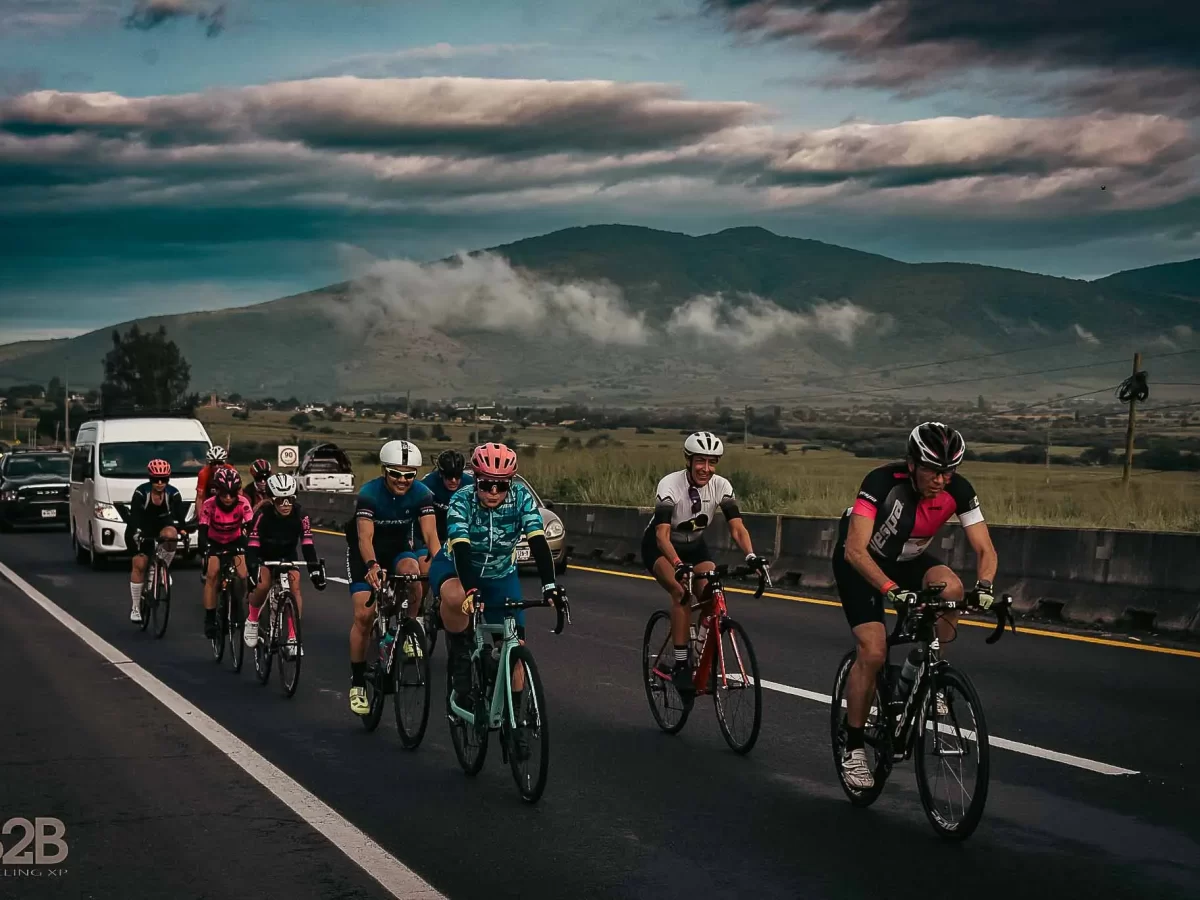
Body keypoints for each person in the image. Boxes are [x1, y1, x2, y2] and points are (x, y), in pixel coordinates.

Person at [833, 421, 998, 791]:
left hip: (910, 560)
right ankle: (855, 746)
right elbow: (854, 549)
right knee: (873, 651)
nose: (940, 479)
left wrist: (984, 586)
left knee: (952, 591)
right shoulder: (881, 482)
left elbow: (985, 548)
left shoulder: (959, 490)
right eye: (931, 470)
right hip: (862, 563)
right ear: (912, 463)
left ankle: (919, 667)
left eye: (948, 471)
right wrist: (891, 589)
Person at [431, 443, 565, 756]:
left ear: (511, 482)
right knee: (455, 599)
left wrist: (549, 586)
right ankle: (462, 659)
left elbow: (537, 541)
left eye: (501, 485)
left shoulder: (521, 498)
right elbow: (461, 549)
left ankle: (514, 723)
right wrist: (471, 590)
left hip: (502, 574)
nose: (493, 491)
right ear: (475, 480)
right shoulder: (461, 501)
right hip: (457, 567)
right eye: (486, 484)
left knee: (516, 648)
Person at [642, 431, 769, 705]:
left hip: (695, 546)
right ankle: (679, 663)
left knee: (712, 592)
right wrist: (677, 565)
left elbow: (737, 527)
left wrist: (751, 556)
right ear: (688, 460)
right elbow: (662, 535)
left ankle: (700, 656)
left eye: (712, 462)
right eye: (701, 461)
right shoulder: (670, 485)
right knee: (681, 592)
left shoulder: (721, 486)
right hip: (661, 547)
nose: (706, 469)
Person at [345, 440, 441, 716]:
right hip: (366, 553)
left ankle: (407, 627)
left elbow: (431, 536)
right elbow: (365, 538)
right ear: (385, 471)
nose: (402, 480)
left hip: (398, 549)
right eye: (396, 474)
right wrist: (373, 565)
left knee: (414, 574)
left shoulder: (422, 493)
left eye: (408, 474)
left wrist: (441, 565)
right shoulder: (370, 493)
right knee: (364, 616)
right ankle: (357, 683)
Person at [244, 473, 326, 656]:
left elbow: (307, 543)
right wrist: (253, 566)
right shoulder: (262, 515)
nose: (286, 504)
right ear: (273, 500)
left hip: (287, 555)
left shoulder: (301, 514)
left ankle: (292, 637)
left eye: (289, 499)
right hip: (265, 555)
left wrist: (314, 570)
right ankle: (252, 619)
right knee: (263, 584)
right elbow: (253, 543)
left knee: (295, 586)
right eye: (280, 500)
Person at [125, 459, 188, 623]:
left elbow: (179, 518)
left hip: (162, 525)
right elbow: (134, 518)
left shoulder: (173, 494)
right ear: (150, 479)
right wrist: (137, 533)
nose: (160, 483)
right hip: (142, 527)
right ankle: (136, 607)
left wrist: (183, 530)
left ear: (168, 479)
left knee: (171, 534)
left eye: (164, 479)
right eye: (155, 480)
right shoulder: (141, 493)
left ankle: (162, 568)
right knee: (139, 563)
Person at [197, 466, 254, 639]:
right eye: (224, 494)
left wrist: (252, 545)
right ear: (217, 492)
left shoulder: (243, 503)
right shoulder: (209, 504)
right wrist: (206, 549)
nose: (228, 498)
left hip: (235, 539)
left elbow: (251, 527)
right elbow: (202, 531)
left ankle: (237, 604)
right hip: (214, 541)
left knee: (243, 575)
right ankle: (210, 618)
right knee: (212, 574)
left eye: (232, 494)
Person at [420, 449, 474, 543]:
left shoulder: (470, 484)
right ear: (441, 474)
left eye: (458, 476)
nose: (453, 480)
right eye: (449, 476)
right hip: (435, 533)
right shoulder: (427, 484)